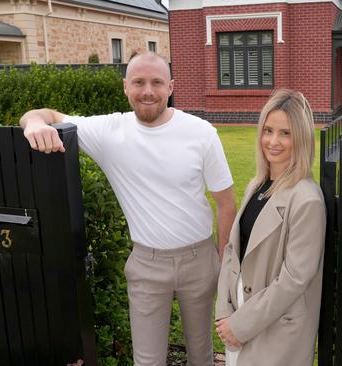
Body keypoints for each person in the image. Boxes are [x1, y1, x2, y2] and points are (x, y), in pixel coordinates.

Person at [19, 52, 237, 366]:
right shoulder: (109, 132)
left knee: (201, 356)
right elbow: (45, 113)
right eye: (139, 82)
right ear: (126, 87)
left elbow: (226, 202)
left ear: (170, 86)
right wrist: (35, 123)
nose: (148, 90)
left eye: (157, 82)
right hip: (147, 265)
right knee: (147, 361)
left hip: (199, 259)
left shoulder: (200, 132)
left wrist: (222, 262)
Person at [215, 89, 326, 365]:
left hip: (274, 331)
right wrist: (224, 311)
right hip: (237, 319)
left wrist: (241, 325)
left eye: (285, 133)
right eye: (268, 130)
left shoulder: (307, 199)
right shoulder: (258, 185)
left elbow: (294, 279)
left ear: (301, 138)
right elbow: (232, 249)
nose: (273, 141)